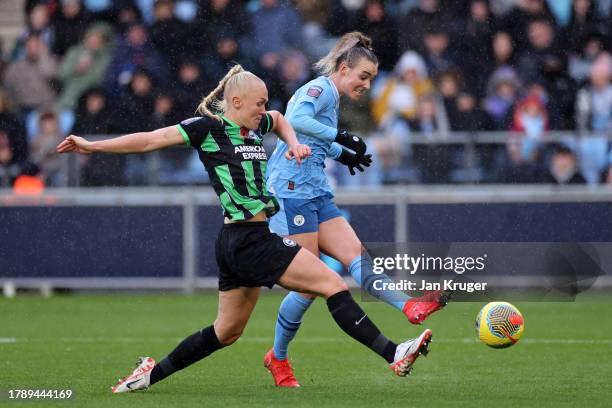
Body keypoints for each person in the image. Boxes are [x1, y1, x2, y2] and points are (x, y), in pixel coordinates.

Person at [56, 65, 434, 393]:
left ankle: (149, 375)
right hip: (248, 240)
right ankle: (394, 353)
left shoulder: (259, 124)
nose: (263, 109)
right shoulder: (208, 129)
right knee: (332, 285)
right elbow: (152, 139)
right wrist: (93, 147)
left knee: (227, 332)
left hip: (239, 242)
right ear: (236, 103)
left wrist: (294, 145)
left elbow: (283, 119)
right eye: (258, 103)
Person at [264, 32, 449, 387]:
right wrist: (343, 138)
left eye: (372, 79)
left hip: (316, 191)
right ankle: (278, 358)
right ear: (344, 68)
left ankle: (409, 306)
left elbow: (313, 140)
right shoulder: (319, 90)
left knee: (358, 258)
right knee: (308, 286)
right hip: (291, 193)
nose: (366, 85)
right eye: (363, 77)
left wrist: (343, 154)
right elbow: (295, 120)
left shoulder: (333, 99)